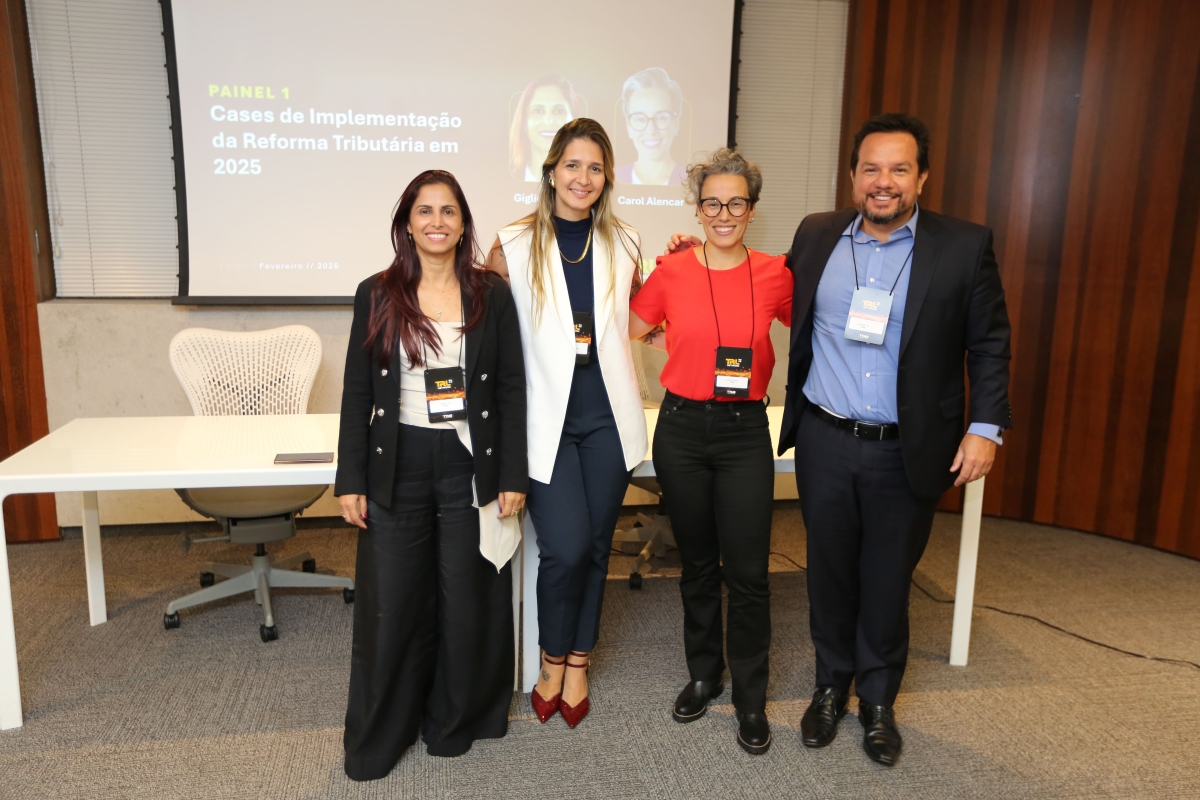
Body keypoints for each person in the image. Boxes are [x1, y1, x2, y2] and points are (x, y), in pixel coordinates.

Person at [781, 114, 1011, 766]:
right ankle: (831, 688)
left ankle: (878, 701)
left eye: (899, 169)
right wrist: (698, 256)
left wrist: (985, 428)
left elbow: (990, 344)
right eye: (871, 168)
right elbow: (769, 289)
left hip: (906, 446)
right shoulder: (817, 233)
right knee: (828, 574)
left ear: (922, 177)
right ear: (853, 175)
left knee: (887, 578)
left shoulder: (963, 246)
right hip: (825, 439)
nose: (884, 182)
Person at [335, 170, 528, 780]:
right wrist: (350, 478)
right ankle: (382, 734)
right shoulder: (377, 293)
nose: (437, 222)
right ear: (407, 223)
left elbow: (513, 388)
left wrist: (513, 474)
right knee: (393, 601)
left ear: (464, 224)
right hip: (399, 459)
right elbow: (356, 392)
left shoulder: (491, 294)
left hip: (471, 459)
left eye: (449, 211)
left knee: (465, 595)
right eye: (425, 211)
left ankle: (453, 722)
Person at [629, 149, 792, 755]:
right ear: (697, 210)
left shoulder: (775, 273)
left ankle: (750, 697)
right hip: (682, 429)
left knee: (748, 573)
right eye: (712, 203)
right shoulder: (672, 270)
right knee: (697, 565)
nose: (724, 214)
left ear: (752, 208)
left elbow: (816, 329)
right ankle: (705, 674)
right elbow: (632, 329)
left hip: (745, 430)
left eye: (735, 203)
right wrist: (675, 341)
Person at [488, 118, 647, 729]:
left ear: (607, 177)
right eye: (573, 165)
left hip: (608, 418)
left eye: (595, 167)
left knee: (598, 547)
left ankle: (578, 661)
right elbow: (491, 340)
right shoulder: (512, 243)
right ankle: (550, 657)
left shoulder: (626, 242)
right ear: (551, 170)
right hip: (544, 422)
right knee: (566, 547)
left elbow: (646, 320)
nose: (584, 178)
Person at [615, 67, 687, 186]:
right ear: (628, 125)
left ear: (676, 123)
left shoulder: (692, 181)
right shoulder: (611, 179)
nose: (651, 130)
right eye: (640, 119)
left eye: (662, 117)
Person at [509, 76, 585, 182]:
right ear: (524, 122)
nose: (549, 121)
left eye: (558, 111)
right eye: (538, 111)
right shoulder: (502, 180)